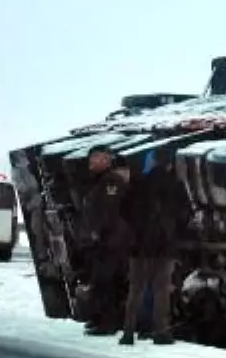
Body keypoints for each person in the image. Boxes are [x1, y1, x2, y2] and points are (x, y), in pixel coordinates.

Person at [119, 148, 189, 346]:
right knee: (161, 290)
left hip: (138, 246)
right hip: (164, 246)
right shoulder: (175, 185)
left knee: (135, 290)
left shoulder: (137, 185)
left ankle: (128, 333)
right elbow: (185, 213)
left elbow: (124, 211)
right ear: (169, 164)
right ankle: (160, 332)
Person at [78, 145, 131, 336]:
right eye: (91, 158)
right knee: (99, 282)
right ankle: (99, 318)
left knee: (105, 283)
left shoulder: (111, 182)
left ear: (106, 160)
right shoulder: (99, 182)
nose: (91, 162)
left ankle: (108, 322)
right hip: (102, 242)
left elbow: (109, 212)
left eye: (96, 158)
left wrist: (98, 233)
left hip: (110, 242)